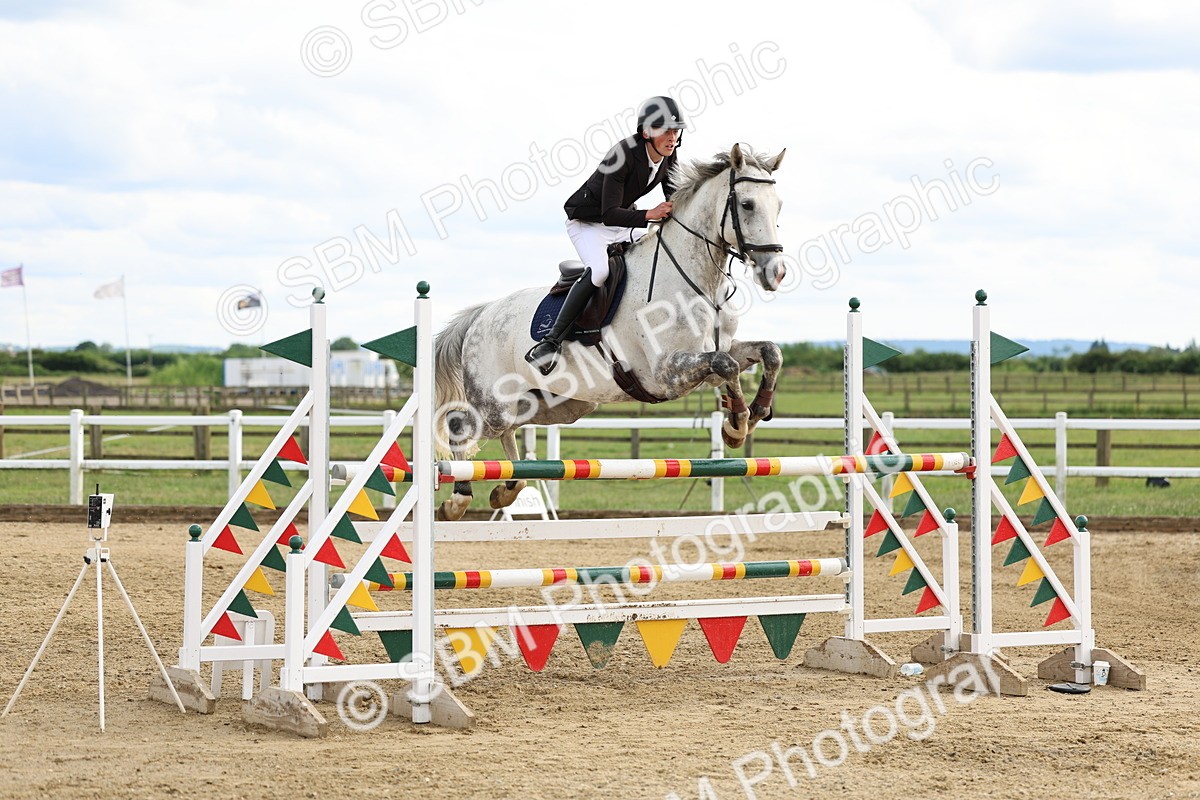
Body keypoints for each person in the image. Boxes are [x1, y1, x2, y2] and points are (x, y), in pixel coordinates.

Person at [524, 96, 686, 375]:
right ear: (646, 132)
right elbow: (609, 213)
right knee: (599, 272)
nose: (671, 138)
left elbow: (673, 197)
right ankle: (550, 343)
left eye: (675, 131)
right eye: (665, 131)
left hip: (625, 220)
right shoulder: (621, 156)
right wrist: (650, 214)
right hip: (589, 223)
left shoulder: (669, 157)